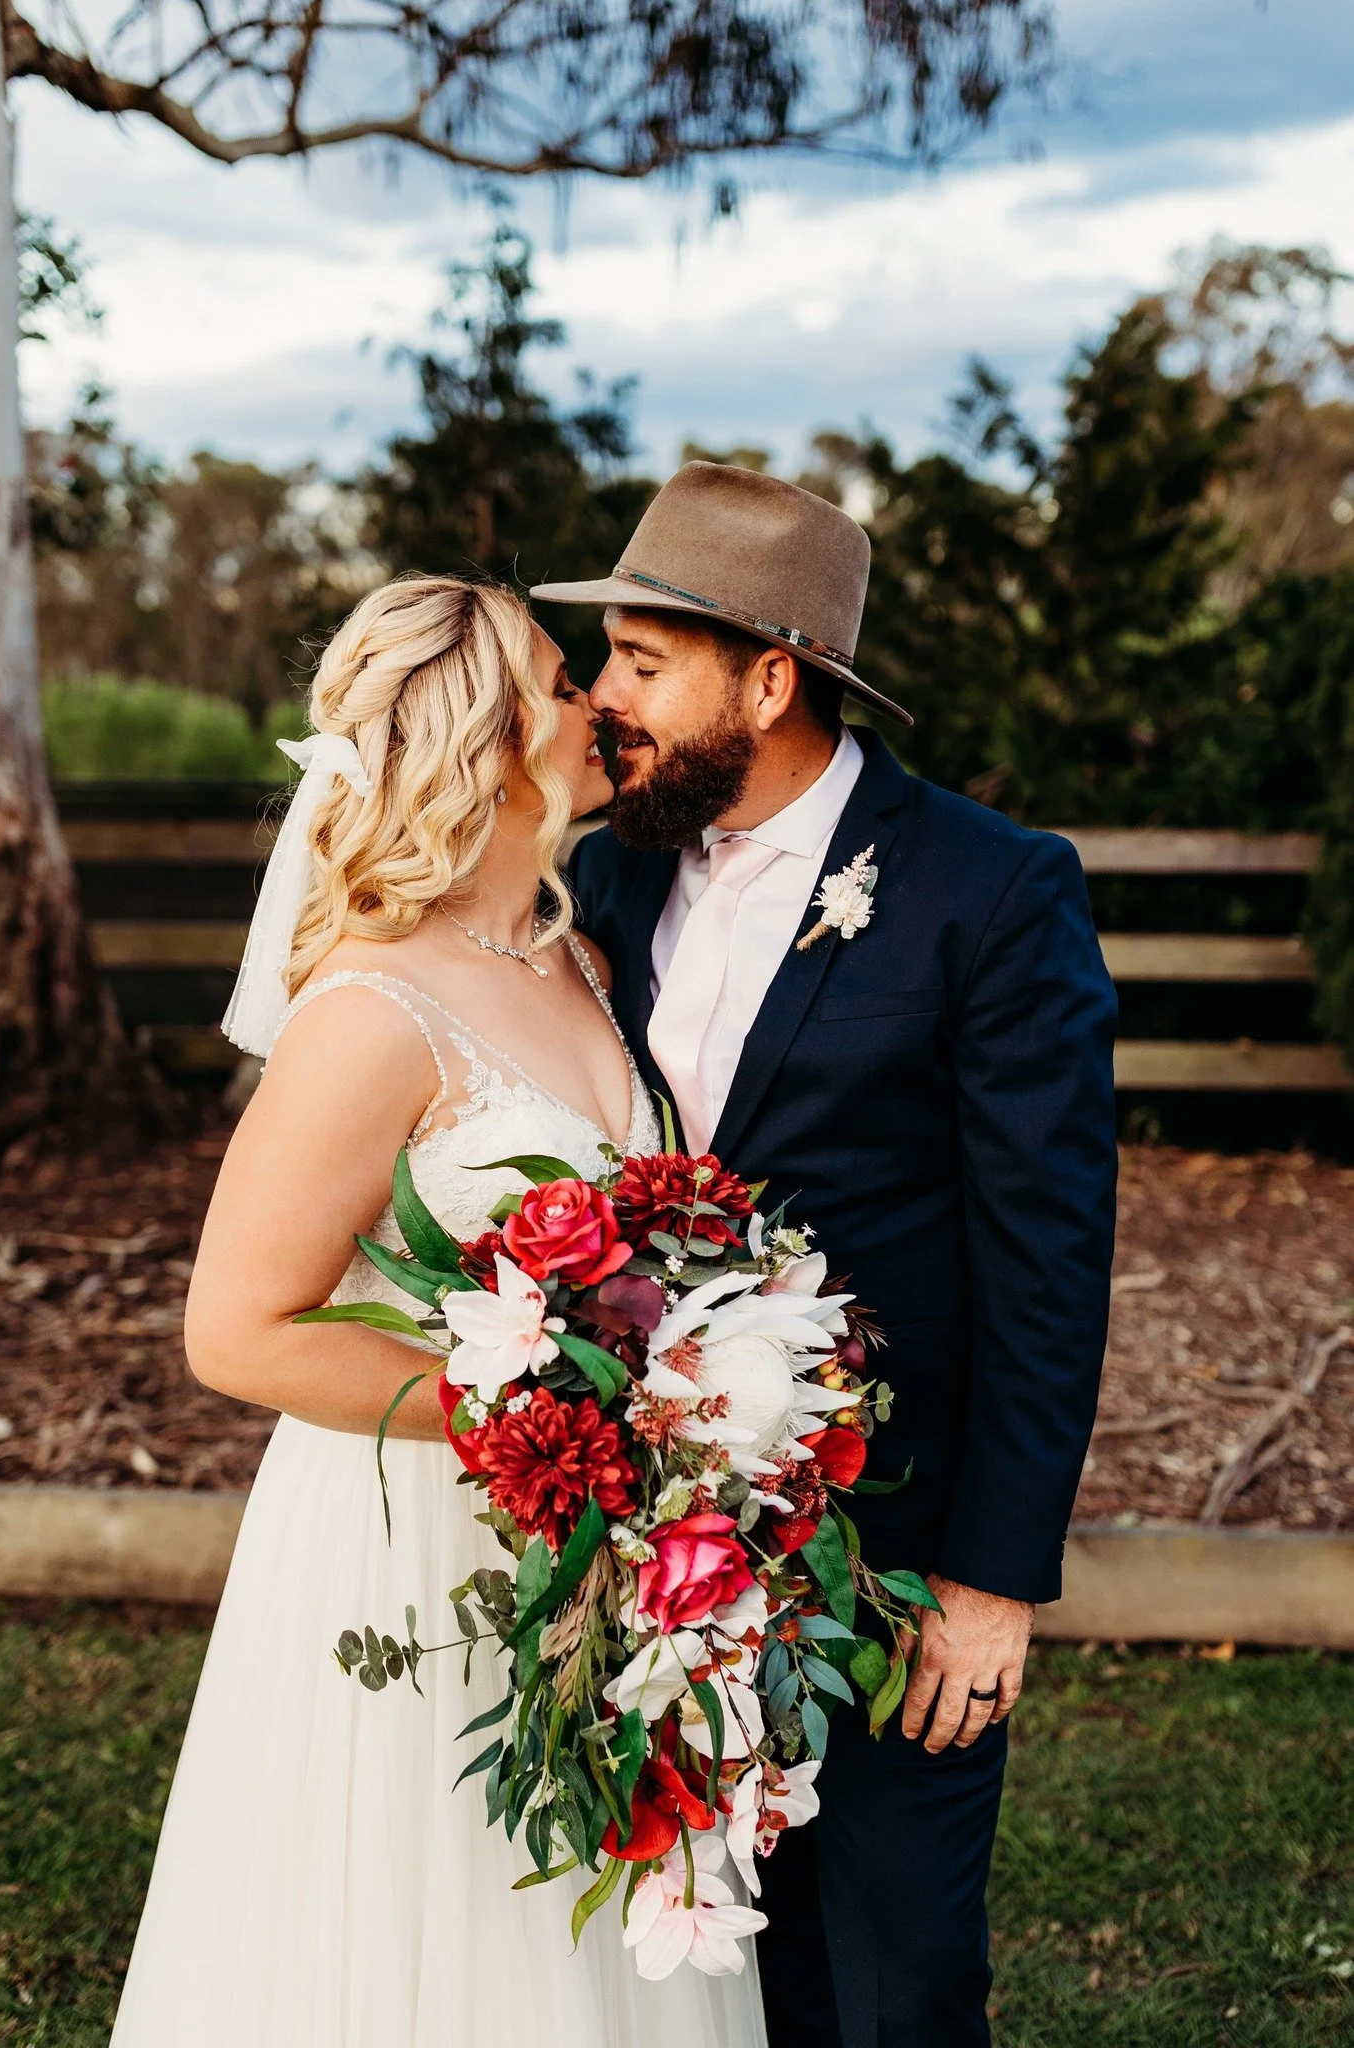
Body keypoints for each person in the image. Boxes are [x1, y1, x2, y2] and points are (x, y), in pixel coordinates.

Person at [109, 574, 768, 2048]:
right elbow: (237, 1330)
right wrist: (538, 1415)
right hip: (416, 1545)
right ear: (487, 742)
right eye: (559, 675)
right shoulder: (369, 1012)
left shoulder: (579, 958)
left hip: (591, 1541)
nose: (599, 699)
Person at [533, 460, 1120, 2048]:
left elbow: (1049, 1255)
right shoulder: (611, 868)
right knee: (693, 1956)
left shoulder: (989, 892)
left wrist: (992, 1580)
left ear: (771, 678)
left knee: (896, 1977)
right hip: (648, 1535)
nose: (603, 698)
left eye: (645, 661)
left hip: (894, 1542)